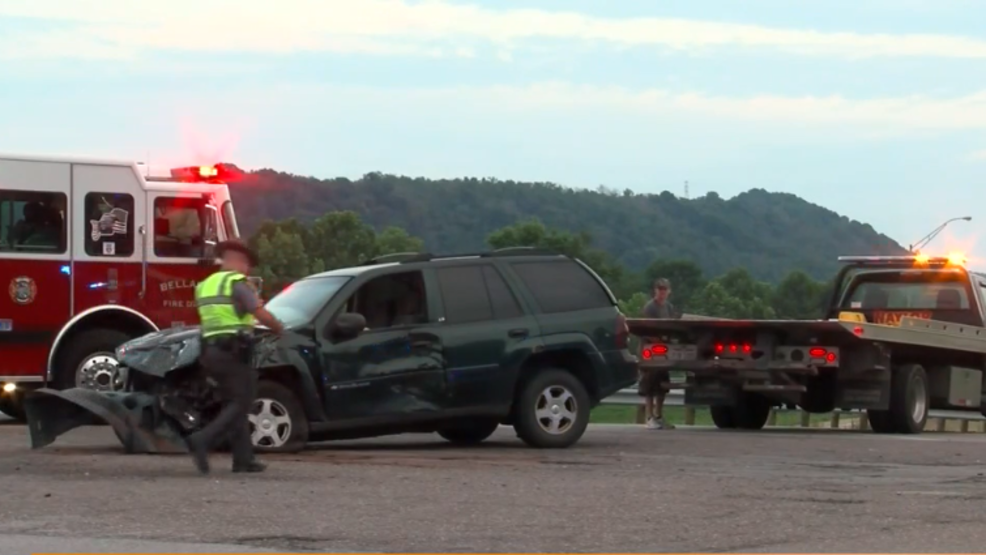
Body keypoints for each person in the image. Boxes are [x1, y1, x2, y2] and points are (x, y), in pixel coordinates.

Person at [185, 239, 285, 475]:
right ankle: (202, 439)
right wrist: (279, 327)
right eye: (247, 264)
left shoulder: (206, 285)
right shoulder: (237, 283)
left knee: (233, 401)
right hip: (233, 352)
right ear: (238, 261)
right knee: (241, 402)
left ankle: (243, 460)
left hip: (210, 352)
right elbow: (257, 312)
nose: (248, 269)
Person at [639, 278, 679, 430]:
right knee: (649, 384)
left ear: (669, 291)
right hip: (650, 348)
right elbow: (646, 328)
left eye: (665, 290)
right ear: (655, 291)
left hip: (663, 349)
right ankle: (649, 417)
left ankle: (659, 415)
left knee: (662, 384)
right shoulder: (650, 307)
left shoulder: (668, 307)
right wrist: (658, 340)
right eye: (659, 289)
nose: (662, 292)